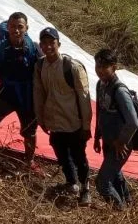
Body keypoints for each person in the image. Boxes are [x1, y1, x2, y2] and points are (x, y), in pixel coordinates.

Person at [33, 27, 93, 206]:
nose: (48, 46)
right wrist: (41, 118)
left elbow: (84, 98)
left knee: (79, 156)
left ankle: (85, 188)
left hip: (73, 122)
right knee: (60, 152)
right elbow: (39, 93)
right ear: (41, 46)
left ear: (59, 44)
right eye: (44, 43)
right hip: (55, 121)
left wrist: (86, 126)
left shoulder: (72, 67)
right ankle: (71, 182)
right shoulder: (40, 66)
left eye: (52, 42)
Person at [0, 12, 42, 169]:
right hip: (6, 94)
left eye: (20, 27)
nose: (16, 30)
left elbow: (45, 75)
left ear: (26, 28)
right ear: (8, 27)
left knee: (30, 132)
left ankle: (29, 161)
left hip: (27, 98)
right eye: (13, 26)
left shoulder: (34, 49)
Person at [93, 48, 138, 210]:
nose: (100, 70)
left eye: (105, 67)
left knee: (102, 182)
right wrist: (97, 136)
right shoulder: (100, 85)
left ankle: (119, 210)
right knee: (116, 174)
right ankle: (128, 202)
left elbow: (133, 122)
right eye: (97, 66)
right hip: (108, 140)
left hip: (120, 144)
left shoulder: (120, 91)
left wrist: (121, 142)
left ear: (114, 67)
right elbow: (100, 111)